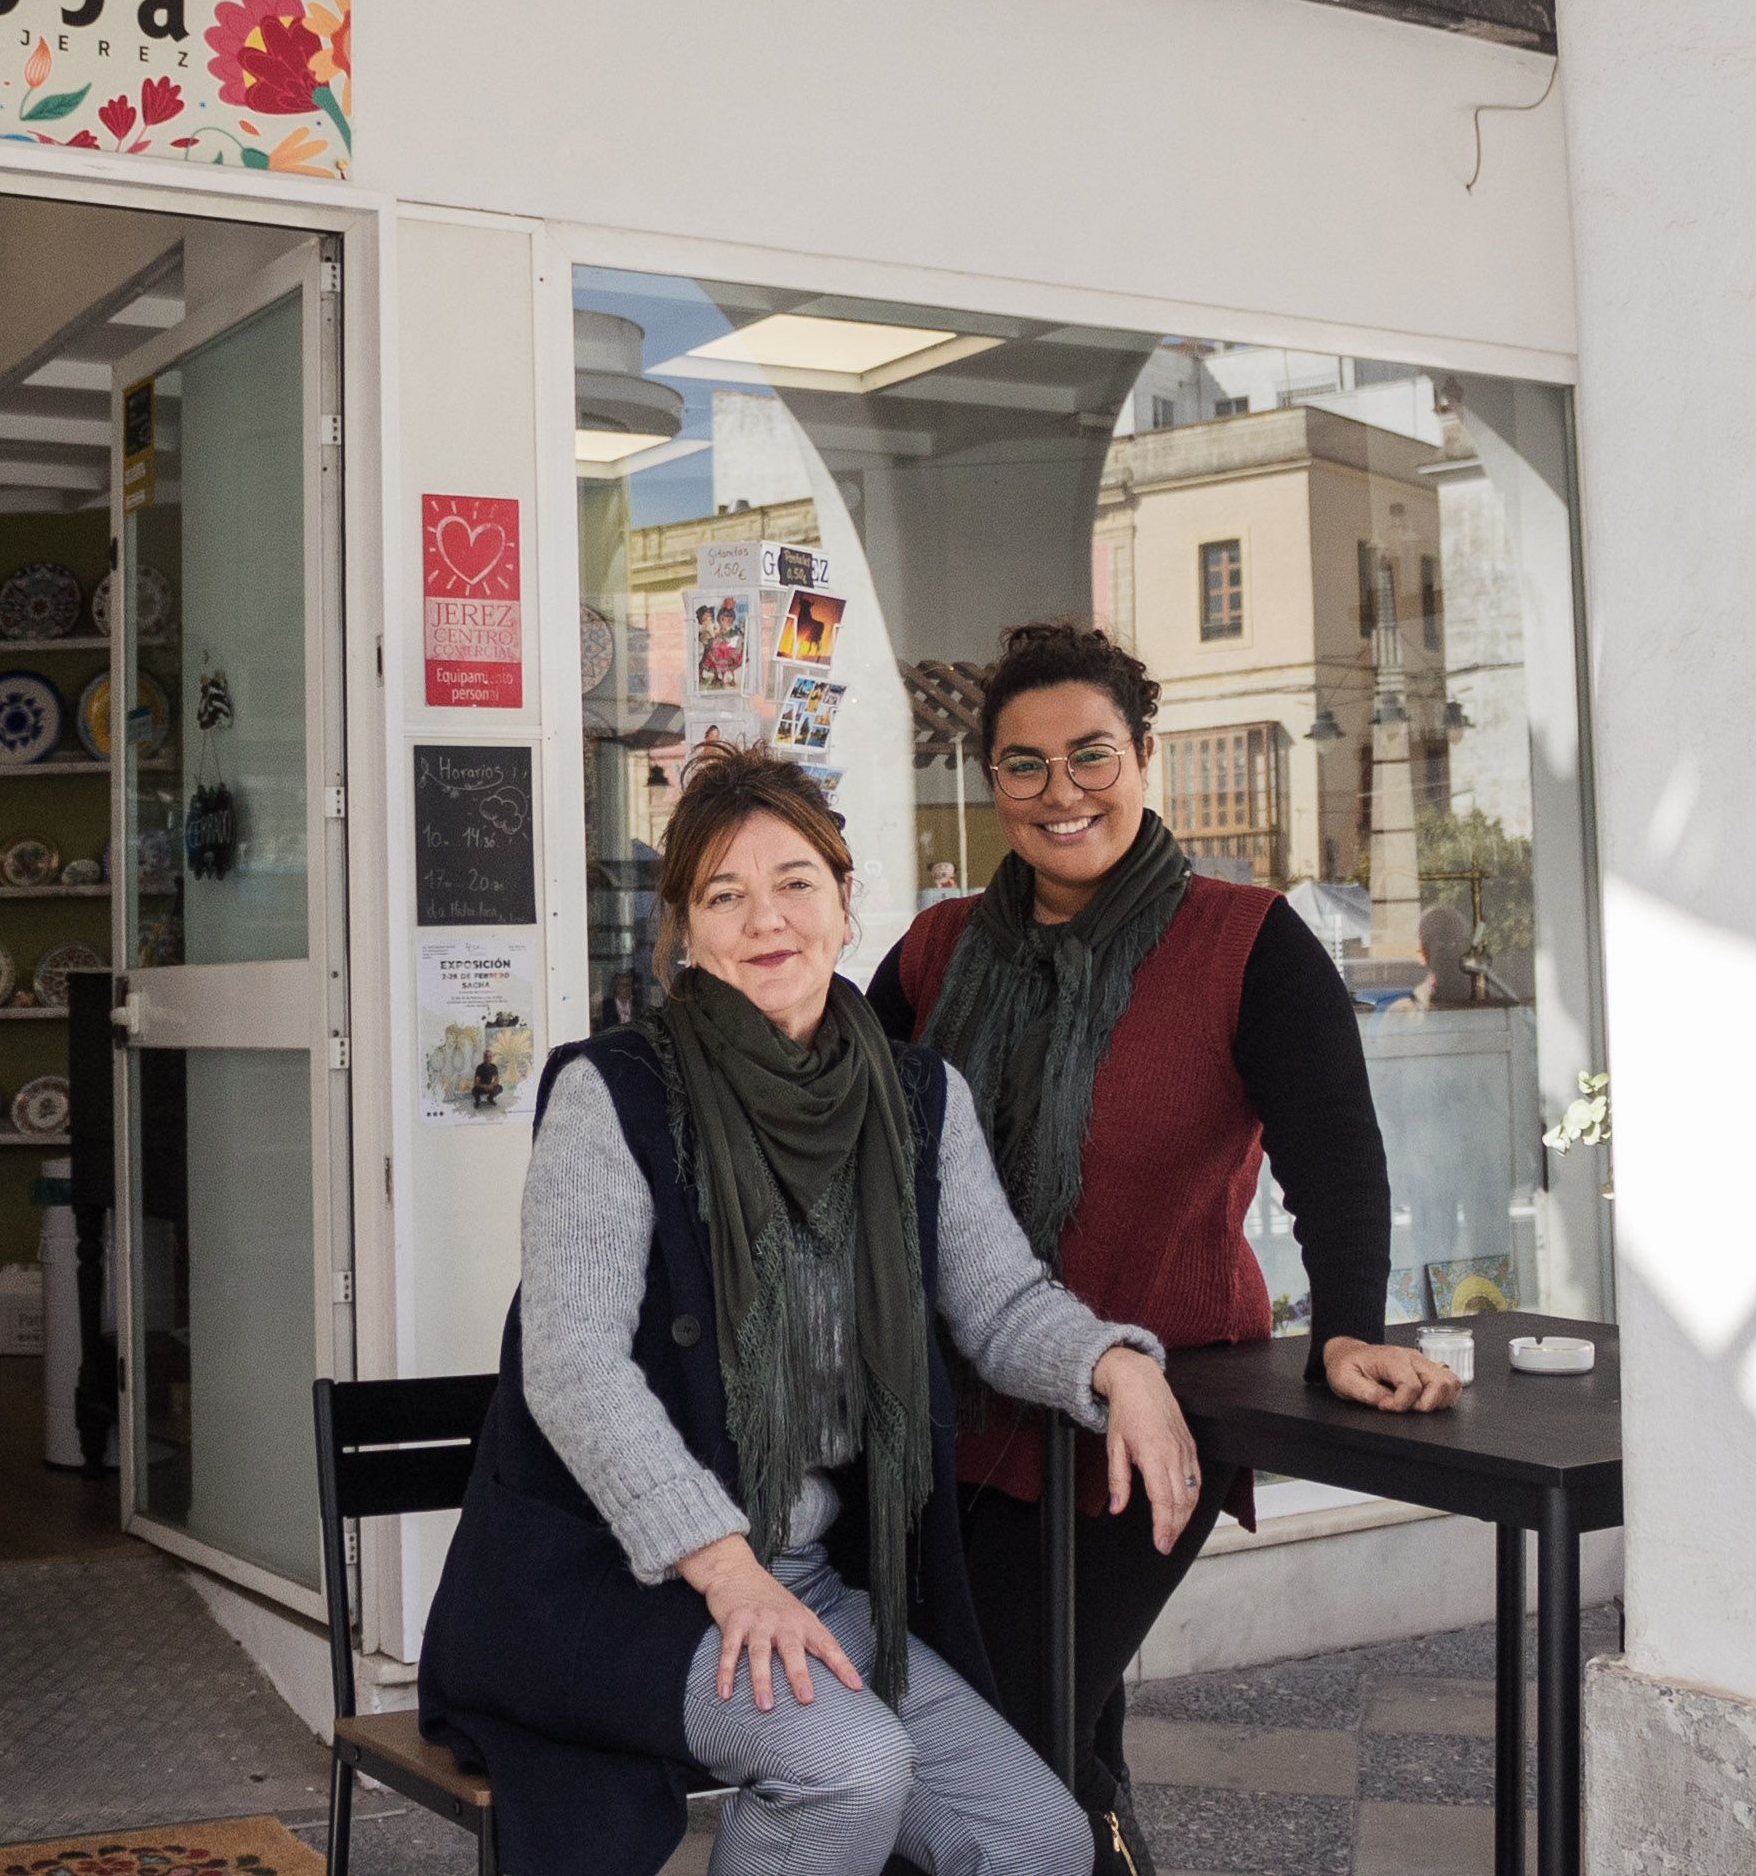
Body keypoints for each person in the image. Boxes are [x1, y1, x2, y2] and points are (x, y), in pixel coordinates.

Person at [420, 746, 1201, 1876]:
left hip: (812, 1579)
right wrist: (727, 1570)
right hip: (613, 1587)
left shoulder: (918, 1095)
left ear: (845, 899)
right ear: (685, 930)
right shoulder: (616, 1094)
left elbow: (999, 1299)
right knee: (849, 1765)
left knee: (1037, 1842)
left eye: (793, 880)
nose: (763, 918)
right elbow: (575, 1367)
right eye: (722, 894)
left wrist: (1115, 1365)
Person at [868, 622, 1464, 1874]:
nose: (1059, 790)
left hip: (1150, 1420)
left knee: (991, 1747)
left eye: (1090, 753)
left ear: (1145, 753)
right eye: (1023, 765)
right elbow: (845, 1146)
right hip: (953, 1417)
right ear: (991, 782)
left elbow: (1336, 1159)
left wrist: (1348, 1323)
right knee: (1058, 1743)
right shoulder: (934, 950)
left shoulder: (1245, 940)